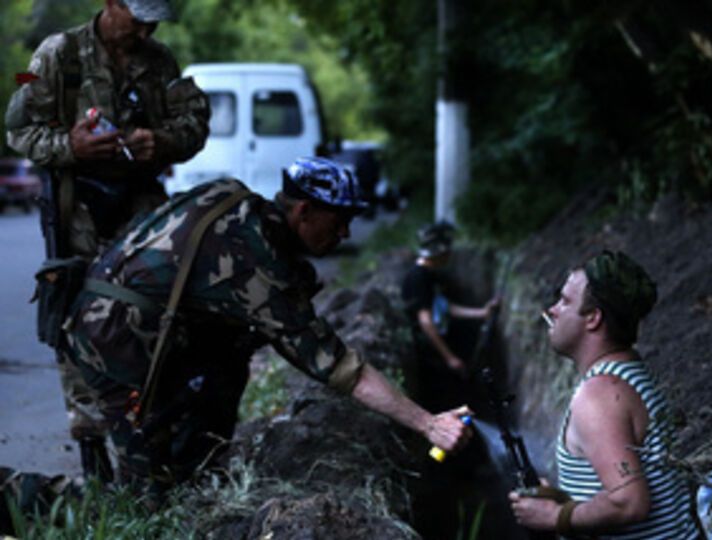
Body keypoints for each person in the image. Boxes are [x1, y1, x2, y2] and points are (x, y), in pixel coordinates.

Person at [61, 157, 472, 495]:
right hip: (116, 339)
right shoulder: (259, 266)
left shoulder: (233, 198)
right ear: (303, 211)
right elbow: (342, 368)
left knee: (189, 452)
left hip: (128, 320)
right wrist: (428, 424)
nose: (345, 233)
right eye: (339, 221)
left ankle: (194, 471)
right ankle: (26, 495)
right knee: (145, 496)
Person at [4, 0, 210, 480]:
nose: (146, 28)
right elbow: (18, 129)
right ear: (111, 3)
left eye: (153, 20)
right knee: (76, 325)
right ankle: (93, 454)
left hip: (141, 218)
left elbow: (194, 126)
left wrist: (159, 141)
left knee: (152, 321)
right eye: (137, 16)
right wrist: (68, 147)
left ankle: (151, 446)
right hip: (76, 215)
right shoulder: (57, 55)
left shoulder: (159, 62)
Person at [510, 251, 701, 539]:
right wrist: (562, 499)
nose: (552, 310)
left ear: (593, 319)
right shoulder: (629, 373)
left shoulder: (599, 396)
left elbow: (630, 503)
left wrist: (556, 517)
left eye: (565, 301)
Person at [400, 222, 499, 407]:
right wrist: (449, 358)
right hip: (430, 355)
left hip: (439, 348)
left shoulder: (430, 275)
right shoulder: (418, 278)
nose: (450, 254)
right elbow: (426, 322)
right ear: (438, 251)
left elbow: (445, 308)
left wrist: (482, 313)